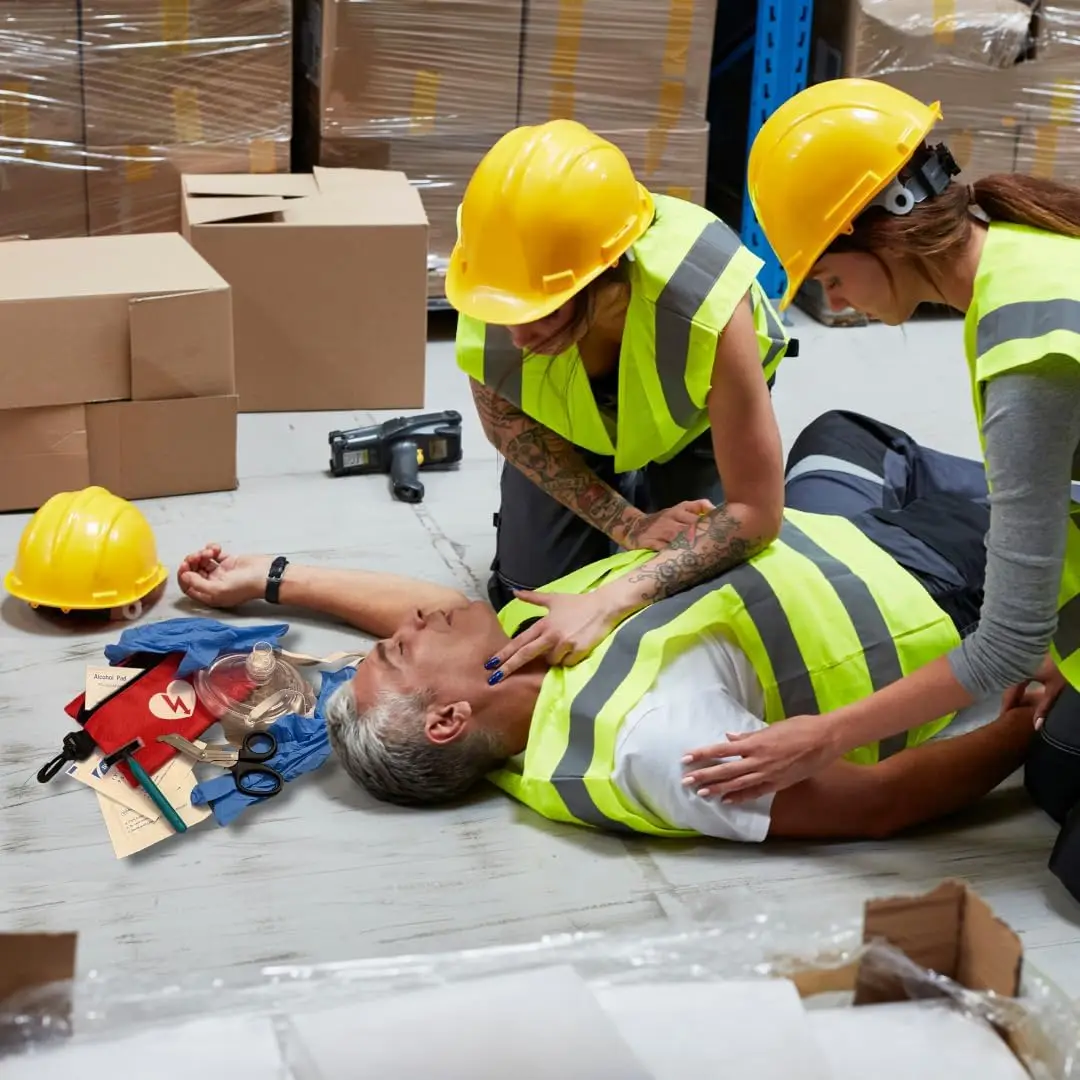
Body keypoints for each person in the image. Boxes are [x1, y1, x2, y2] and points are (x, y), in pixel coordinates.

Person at [177, 411, 1036, 844]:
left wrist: (277, 579)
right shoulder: (644, 744)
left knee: (841, 431)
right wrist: (1026, 726)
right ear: (448, 717)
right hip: (928, 575)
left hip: (816, 525)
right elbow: (877, 805)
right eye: (405, 648)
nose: (418, 618)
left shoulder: (517, 664)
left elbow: (418, 612)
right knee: (1037, 477)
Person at [677, 77, 1080, 895]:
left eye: (829, 276)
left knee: (1068, 840)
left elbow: (1003, 644)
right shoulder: (1030, 255)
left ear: (887, 232)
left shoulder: (1026, 348)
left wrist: (823, 737)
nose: (837, 301)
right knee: (1056, 769)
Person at [444, 118, 796, 663]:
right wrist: (625, 522)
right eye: (504, 310)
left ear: (610, 275)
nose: (515, 335)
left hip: (694, 421)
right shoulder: (497, 278)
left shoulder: (707, 302)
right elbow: (509, 428)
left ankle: (650, 483)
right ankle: (619, 497)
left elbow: (757, 510)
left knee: (696, 593)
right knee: (531, 604)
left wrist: (614, 600)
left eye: (543, 312)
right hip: (566, 422)